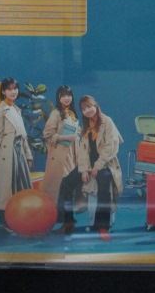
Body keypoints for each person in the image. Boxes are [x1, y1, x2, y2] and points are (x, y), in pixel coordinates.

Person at [56, 96, 123, 241]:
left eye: (89, 106)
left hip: (105, 163)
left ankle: (103, 226)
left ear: (96, 105)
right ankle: (68, 222)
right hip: (88, 165)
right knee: (66, 183)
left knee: (104, 183)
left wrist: (97, 166)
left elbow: (111, 148)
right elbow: (83, 150)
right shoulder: (86, 125)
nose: (87, 110)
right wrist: (83, 169)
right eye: (84, 109)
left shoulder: (107, 122)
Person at [0, 78, 33, 222]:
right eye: (9, 89)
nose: (13, 92)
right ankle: (5, 219)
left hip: (19, 152)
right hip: (7, 153)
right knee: (7, 188)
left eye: (15, 88)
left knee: (21, 185)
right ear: (3, 91)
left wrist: (28, 155)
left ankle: (19, 217)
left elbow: (23, 135)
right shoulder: (0, 110)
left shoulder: (16, 109)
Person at [39, 86, 80, 209]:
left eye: (69, 95)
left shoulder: (72, 113)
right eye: (63, 95)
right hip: (60, 155)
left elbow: (76, 132)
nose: (67, 98)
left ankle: (66, 214)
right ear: (58, 98)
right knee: (59, 185)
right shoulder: (56, 113)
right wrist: (65, 137)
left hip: (72, 154)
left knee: (69, 185)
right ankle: (57, 213)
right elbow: (47, 134)